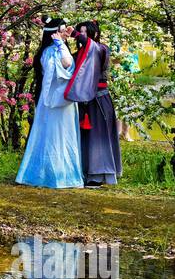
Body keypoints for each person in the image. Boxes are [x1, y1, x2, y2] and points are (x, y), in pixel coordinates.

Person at [16, 17, 84, 189]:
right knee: (52, 135)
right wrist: (61, 45)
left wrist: (66, 41)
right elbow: (67, 65)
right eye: (61, 31)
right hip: (52, 101)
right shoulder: (49, 52)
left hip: (64, 102)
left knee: (65, 135)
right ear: (54, 34)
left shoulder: (60, 48)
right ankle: (50, 175)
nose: (65, 34)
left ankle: (64, 173)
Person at [65, 20, 121, 186]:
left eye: (85, 33)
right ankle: (84, 172)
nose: (81, 36)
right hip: (83, 101)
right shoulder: (78, 54)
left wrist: (75, 34)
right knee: (84, 137)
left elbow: (91, 47)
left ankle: (98, 176)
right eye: (80, 32)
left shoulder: (101, 49)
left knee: (98, 137)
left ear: (94, 34)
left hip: (99, 100)